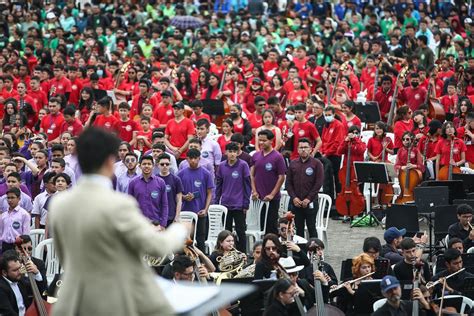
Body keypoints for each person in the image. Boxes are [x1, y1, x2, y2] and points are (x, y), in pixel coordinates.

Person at [48, 127, 188, 316]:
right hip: (110, 304)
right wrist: (181, 229)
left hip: (70, 304)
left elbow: (63, 256)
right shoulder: (119, 204)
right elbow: (158, 247)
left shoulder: (59, 204)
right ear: (110, 161)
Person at [215, 142, 251, 253]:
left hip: (239, 205)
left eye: (234, 152)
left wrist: (246, 203)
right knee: (227, 232)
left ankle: (243, 255)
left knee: (241, 231)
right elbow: (218, 185)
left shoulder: (243, 165)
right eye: (230, 151)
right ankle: (228, 255)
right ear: (226, 152)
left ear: (237, 153)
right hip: (225, 204)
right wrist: (216, 201)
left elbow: (247, 185)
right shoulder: (221, 166)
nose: (232, 154)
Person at [178, 148, 214, 252]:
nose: (193, 161)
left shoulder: (206, 173)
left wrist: (206, 209)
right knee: (185, 239)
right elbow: (178, 194)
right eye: (190, 158)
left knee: (200, 238)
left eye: (195, 158)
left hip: (200, 212)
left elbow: (209, 193)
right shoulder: (181, 174)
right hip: (185, 212)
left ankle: (202, 262)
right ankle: (186, 261)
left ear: (199, 159)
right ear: (186, 159)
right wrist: (184, 197)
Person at [251, 130, 287, 235]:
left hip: (272, 199)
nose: (261, 143)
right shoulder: (256, 156)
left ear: (271, 141)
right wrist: (254, 191)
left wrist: (272, 194)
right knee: (260, 226)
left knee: (271, 226)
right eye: (260, 140)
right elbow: (252, 175)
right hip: (258, 198)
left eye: (264, 140)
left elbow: (281, 177)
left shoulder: (278, 157)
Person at [286, 138, 324, 238]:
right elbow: (288, 183)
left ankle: (315, 251)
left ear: (311, 149)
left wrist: (309, 198)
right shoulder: (293, 164)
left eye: (306, 147)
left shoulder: (316, 163)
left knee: (311, 227)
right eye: (301, 147)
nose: (303, 150)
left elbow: (318, 183)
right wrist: (294, 198)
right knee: (298, 228)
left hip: (311, 202)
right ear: (297, 149)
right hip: (296, 203)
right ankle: (300, 252)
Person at [0, 250, 47, 315]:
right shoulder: (1, 288)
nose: (19, 272)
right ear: (4, 273)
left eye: (20, 268)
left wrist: (37, 273)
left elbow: (43, 294)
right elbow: (8, 313)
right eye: (15, 270)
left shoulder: (20, 280)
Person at [128, 155, 169, 228]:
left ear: (153, 166)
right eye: (144, 164)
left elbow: (164, 204)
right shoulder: (133, 183)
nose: (146, 166)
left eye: (149, 164)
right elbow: (129, 205)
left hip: (156, 224)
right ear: (140, 166)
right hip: (138, 223)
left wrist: (163, 224)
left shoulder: (160, 182)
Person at [0, 188, 31, 253]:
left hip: (18, 246)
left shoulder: (24, 214)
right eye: (8, 198)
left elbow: (26, 234)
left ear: (19, 198)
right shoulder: (3, 215)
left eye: (12, 197)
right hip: (5, 245)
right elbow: (1, 232)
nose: (10, 200)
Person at [157, 154, 183, 227]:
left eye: (167, 164)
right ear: (158, 165)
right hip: (157, 216)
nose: (165, 166)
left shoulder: (176, 180)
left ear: (170, 165)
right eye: (162, 164)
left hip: (171, 216)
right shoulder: (154, 179)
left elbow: (179, 200)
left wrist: (177, 216)